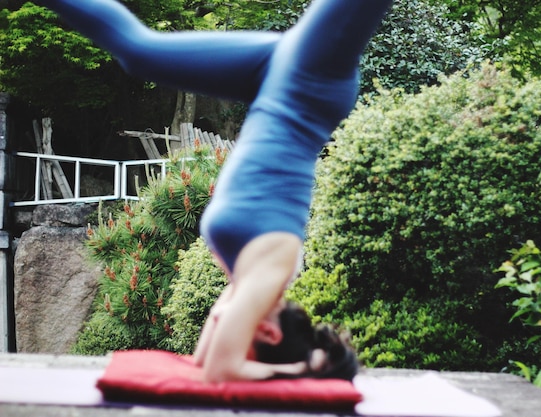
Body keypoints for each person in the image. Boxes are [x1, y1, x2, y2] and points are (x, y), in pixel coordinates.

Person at [36, 0, 392, 382]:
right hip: (314, 79)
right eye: (241, 339)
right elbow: (224, 369)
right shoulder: (273, 269)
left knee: (138, 54)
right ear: (269, 332)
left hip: (275, 75)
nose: (225, 327)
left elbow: (207, 362)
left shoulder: (245, 282)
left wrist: (284, 359)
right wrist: (301, 370)